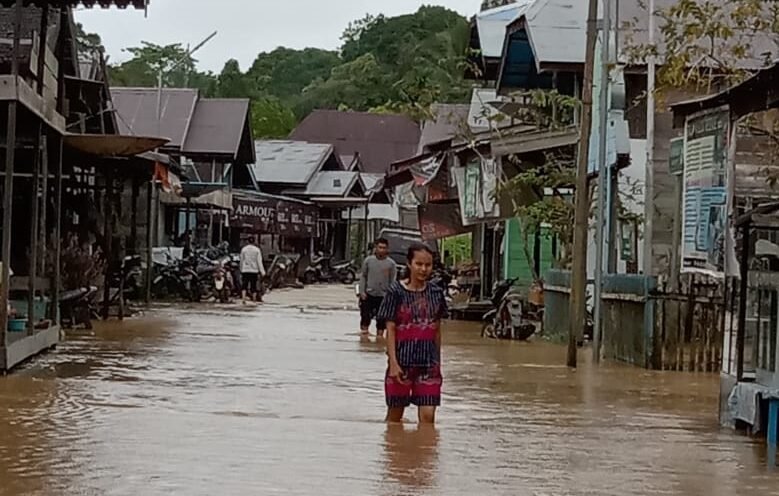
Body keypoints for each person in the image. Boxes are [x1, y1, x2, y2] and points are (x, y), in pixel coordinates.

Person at [378, 243, 448, 425]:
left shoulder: (436, 293)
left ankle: (424, 452)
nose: (424, 269)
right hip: (401, 363)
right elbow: (390, 330)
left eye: (428, 265)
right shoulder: (395, 292)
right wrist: (393, 363)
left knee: (428, 417)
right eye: (419, 264)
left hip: (428, 364)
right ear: (409, 264)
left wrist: (438, 364)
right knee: (395, 416)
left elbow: (437, 330)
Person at [359, 238, 397, 337]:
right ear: (376, 248)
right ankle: (364, 338)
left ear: (387, 249)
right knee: (365, 317)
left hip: (383, 297)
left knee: (381, 322)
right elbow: (363, 276)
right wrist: (362, 291)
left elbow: (393, 281)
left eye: (384, 248)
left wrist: (391, 297)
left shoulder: (391, 264)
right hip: (368, 295)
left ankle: (379, 340)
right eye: (380, 247)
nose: (382, 250)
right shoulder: (368, 261)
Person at [240, 236, 266, 303]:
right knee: (253, 285)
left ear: (247, 241)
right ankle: (254, 299)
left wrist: (241, 269)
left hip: (245, 269)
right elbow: (259, 261)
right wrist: (262, 271)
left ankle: (243, 299)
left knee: (244, 284)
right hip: (254, 270)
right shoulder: (257, 250)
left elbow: (242, 260)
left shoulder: (244, 249)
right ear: (254, 241)